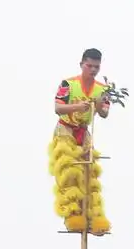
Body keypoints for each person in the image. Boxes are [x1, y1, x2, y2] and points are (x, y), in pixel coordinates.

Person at [49, 47, 113, 234]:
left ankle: (92, 216)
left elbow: (104, 114)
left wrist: (100, 105)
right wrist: (78, 106)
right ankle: (72, 215)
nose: (93, 70)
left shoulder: (103, 89)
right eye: (89, 66)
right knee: (69, 172)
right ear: (82, 64)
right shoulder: (68, 84)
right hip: (66, 129)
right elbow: (57, 108)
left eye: (96, 67)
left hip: (84, 132)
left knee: (88, 174)